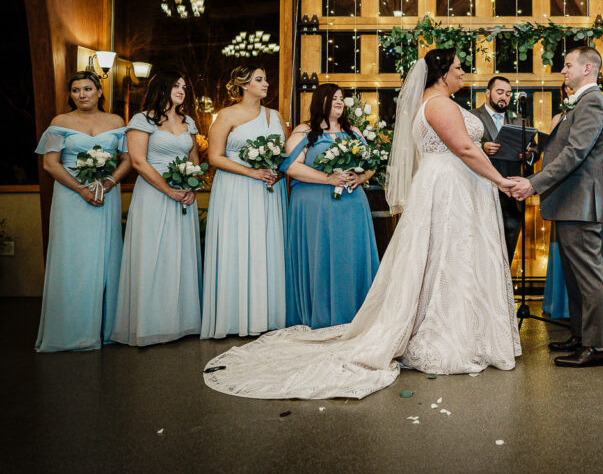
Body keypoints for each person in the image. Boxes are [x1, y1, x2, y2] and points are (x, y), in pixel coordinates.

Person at [203, 49, 520, 399]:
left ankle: (462, 327)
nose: (464, 74)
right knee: (449, 260)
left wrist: (358, 173)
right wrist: (501, 181)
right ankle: (452, 334)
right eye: (459, 68)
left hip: (444, 184)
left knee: (444, 260)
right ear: (443, 74)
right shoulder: (440, 104)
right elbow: (464, 148)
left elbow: (406, 157)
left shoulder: (424, 105)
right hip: (449, 187)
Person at [510, 46, 603, 367]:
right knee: (574, 277)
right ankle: (581, 336)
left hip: (580, 203)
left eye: (568, 65)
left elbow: (575, 154)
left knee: (589, 278)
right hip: (568, 203)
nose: (563, 70)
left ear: (587, 68)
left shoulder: (593, 102)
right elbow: (561, 146)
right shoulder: (579, 103)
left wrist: (533, 182)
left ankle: (597, 348)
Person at [34, 70, 131, 352]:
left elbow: (127, 159)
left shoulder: (116, 122)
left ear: (100, 92)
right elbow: (51, 164)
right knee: (72, 259)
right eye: (76, 90)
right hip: (71, 197)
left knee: (105, 257)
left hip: (106, 194)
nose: (82, 95)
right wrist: (81, 189)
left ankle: (106, 329)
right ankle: (70, 331)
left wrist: (110, 181)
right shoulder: (60, 122)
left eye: (88, 89)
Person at [112, 71, 202, 346]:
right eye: (176, 85)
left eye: (184, 87)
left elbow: (194, 159)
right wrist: (169, 190)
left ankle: (184, 322)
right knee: (153, 254)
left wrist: (192, 187)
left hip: (183, 196)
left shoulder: (188, 122)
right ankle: (150, 324)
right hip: (153, 194)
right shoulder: (143, 119)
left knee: (180, 253)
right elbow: (138, 162)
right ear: (162, 87)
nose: (181, 90)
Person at [280, 83, 379, 328]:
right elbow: (291, 167)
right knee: (321, 257)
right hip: (315, 206)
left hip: (351, 205)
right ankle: (322, 315)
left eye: (341, 98)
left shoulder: (353, 131)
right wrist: (328, 178)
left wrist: (361, 177)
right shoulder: (306, 131)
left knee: (350, 257)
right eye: (333, 97)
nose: (338, 102)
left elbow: (372, 163)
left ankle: (356, 314)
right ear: (320, 101)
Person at [201, 65, 288, 339]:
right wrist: (251, 172)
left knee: (266, 245)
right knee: (237, 245)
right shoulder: (226, 115)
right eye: (259, 79)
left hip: (267, 190)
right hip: (236, 189)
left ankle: (268, 315)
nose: (265, 84)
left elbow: (283, 154)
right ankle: (234, 317)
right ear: (243, 84)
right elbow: (214, 157)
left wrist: (278, 172)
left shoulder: (275, 116)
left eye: (265, 78)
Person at [470, 75, 534, 263]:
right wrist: (483, 147)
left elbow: (535, 147)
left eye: (507, 94)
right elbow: (460, 146)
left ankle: (503, 290)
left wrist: (529, 154)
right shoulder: (472, 116)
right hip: (481, 190)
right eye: (499, 92)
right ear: (488, 93)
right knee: (480, 249)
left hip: (511, 194)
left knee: (507, 250)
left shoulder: (520, 119)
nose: (504, 97)